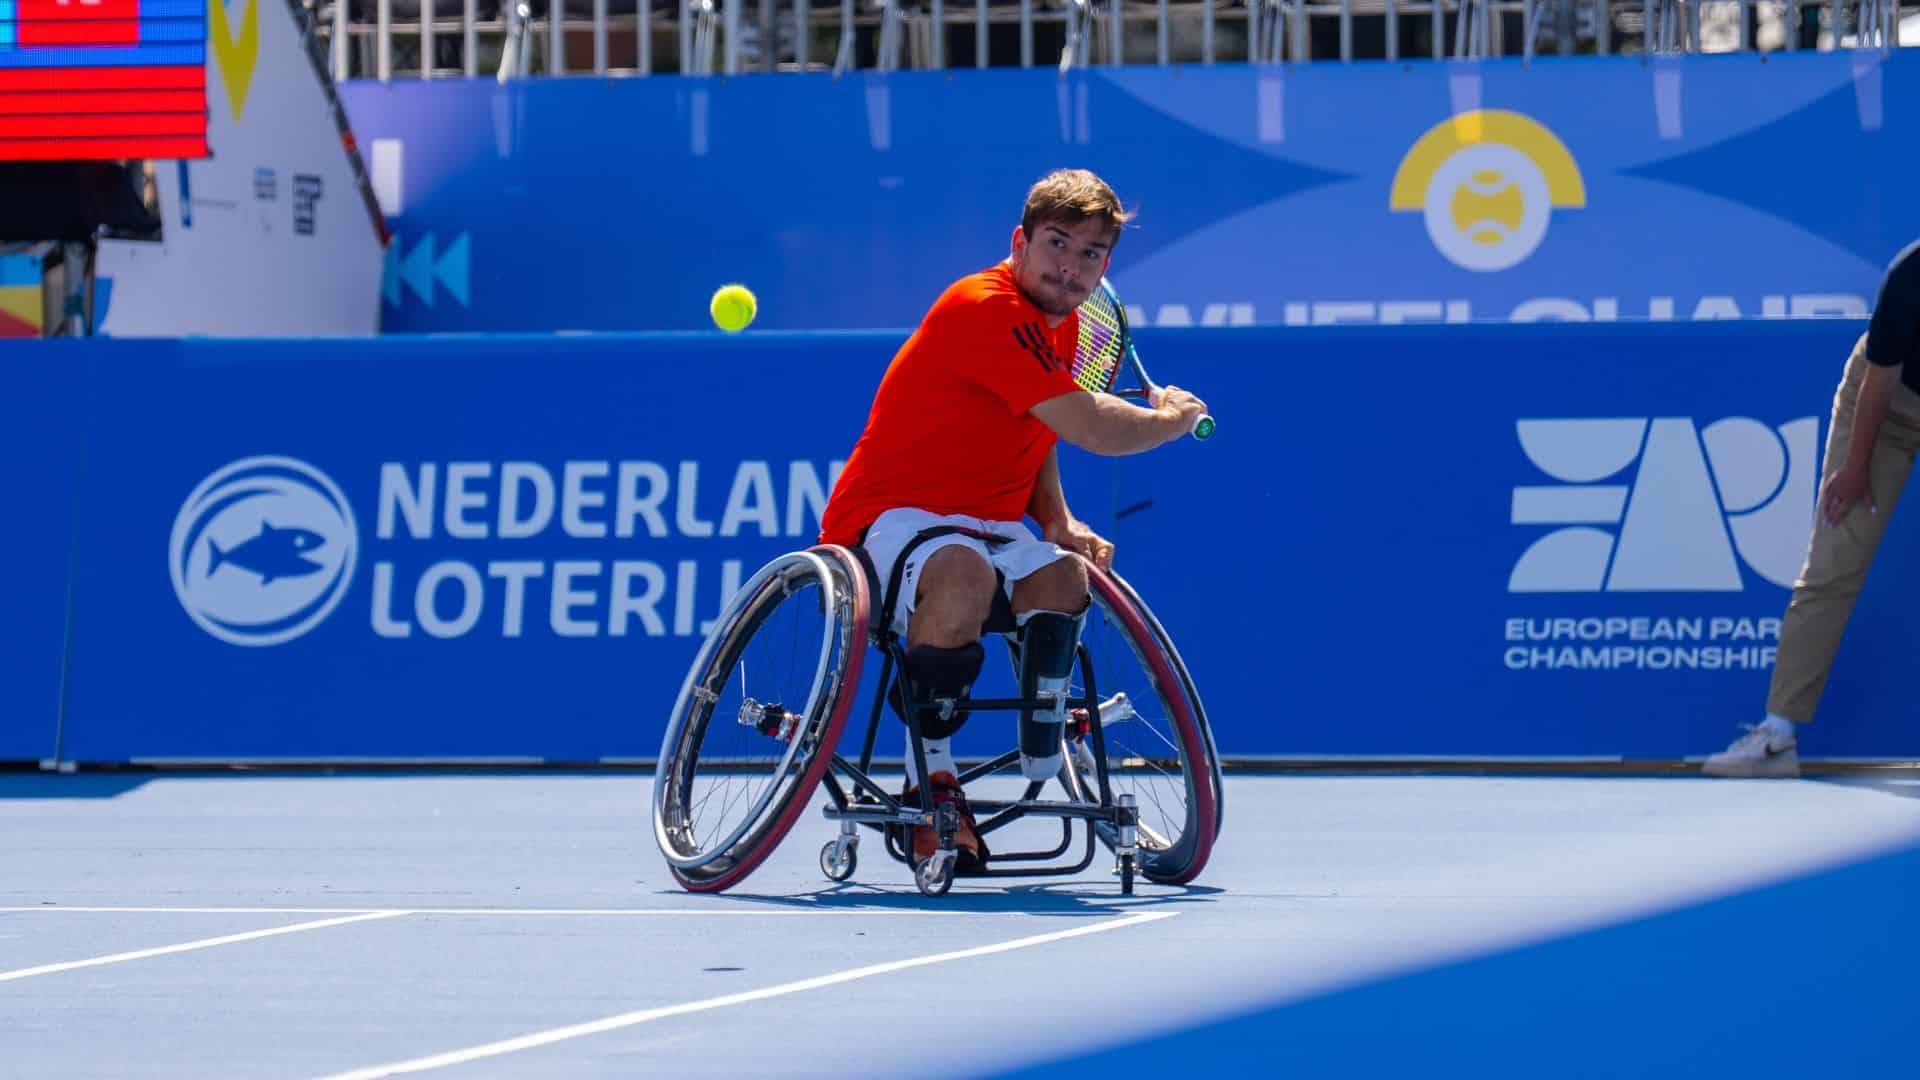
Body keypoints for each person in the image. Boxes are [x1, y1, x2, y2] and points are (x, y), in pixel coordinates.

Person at [816, 168, 1208, 865]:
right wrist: (1169, 423)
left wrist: (1057, 520)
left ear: (1105, 267)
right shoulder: (982, 306)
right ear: (1019, 242)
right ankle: (932, 783)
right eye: (1057, 243)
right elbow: (1088, 423)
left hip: (994, 525)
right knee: (963, 572)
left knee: (1064, 579)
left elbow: (1038, 427)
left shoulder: (1065, 326)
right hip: (892, 519)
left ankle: (1045, 741)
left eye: (1090, 253)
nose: (1071, 266)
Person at [1705, 239, 1920, 778]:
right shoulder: (1912, 273)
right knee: (1833, 562)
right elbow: (1879, 380)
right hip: (1885, 407)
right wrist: (1856, 467)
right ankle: (1777, 736)